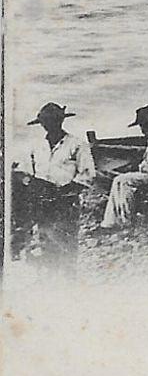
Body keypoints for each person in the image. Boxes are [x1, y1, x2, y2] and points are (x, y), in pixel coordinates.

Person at [16, 102, 97, 268]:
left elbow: (87, 175)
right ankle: (48, 280)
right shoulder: (36, 146)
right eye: (46, 121)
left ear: (61, 121)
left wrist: (64, 191)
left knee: (66, 242)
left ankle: (68, 282)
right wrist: (31, 184)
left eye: (54, 120)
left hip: (65, 201)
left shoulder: (77, 144)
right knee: (44, 241)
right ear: (42, 124)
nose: (50, 125)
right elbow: (26, 172)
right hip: (41, 200)